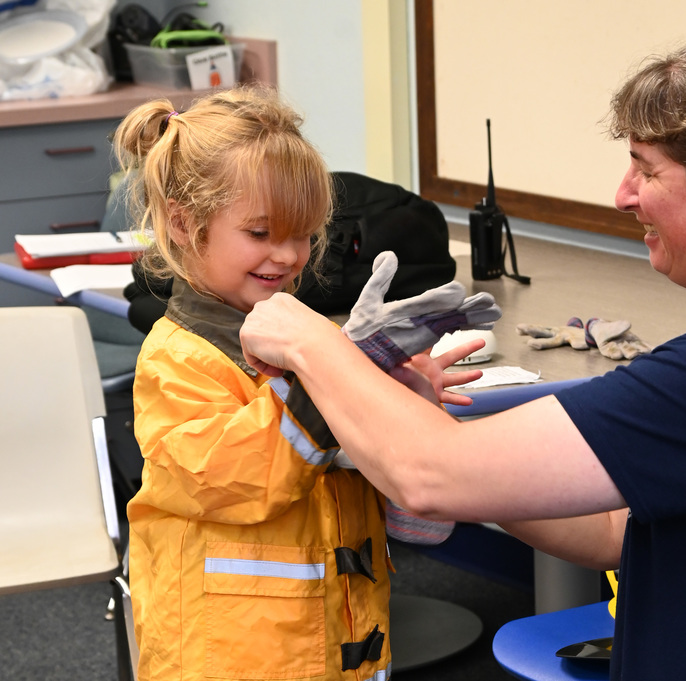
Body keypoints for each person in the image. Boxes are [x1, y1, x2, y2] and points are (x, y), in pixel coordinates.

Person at [239, 41, 686, 680]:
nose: (624, 194)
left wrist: (309, 339)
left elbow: (427, 477)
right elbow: (608, 530)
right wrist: (447, 442)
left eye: (647, 170)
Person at [114, 85, 488, 681]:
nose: (288, 255)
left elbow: (416, 520)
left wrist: (405, 405)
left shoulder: (308, 340)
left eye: (304, 233)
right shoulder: (176, 361)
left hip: (340, 643)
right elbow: (239, 478)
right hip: (227, 660)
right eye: (261, 233)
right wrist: (337, 372)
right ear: (184, 225)